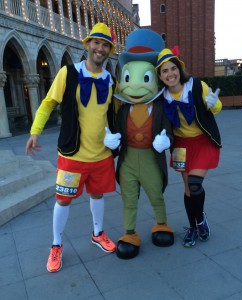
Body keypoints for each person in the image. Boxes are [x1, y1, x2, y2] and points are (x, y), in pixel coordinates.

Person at [25, 23, 117, 273]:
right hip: (72, 154)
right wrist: (35, 131)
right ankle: (56, 246)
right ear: (87, 45)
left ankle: (98, 233)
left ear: (109, 50)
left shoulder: (111, 79)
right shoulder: (68, 73)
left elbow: (114, 113)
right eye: (96, 42)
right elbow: (47, 103)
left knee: (97, 195)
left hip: (101, 155)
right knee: (63, 201)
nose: (100, 48)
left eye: (105, 44)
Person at [104, 29, 174, 259]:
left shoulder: (162, 107)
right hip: (128, 159)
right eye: (128, 79)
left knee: (156, 193)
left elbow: (171, 130)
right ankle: (130, 233)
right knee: (129, 197)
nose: (134, 86)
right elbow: (114, 129)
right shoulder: (122, 110)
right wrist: (111, 141)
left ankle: (161, 224)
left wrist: (166, 141)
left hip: (151, 158)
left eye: (144, 79)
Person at [155, 47, 222, 248]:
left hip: (202, 142)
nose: (170, 73)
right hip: (180, 146)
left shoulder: (196, 86)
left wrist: (214, 104)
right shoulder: (161, 97)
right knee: (187, 190)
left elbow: (214, 108)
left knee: (194, 184)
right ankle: (193, 227)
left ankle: (200, 220)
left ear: (180, 69)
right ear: (160, 75)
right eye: (164, 70)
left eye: (173, 68)